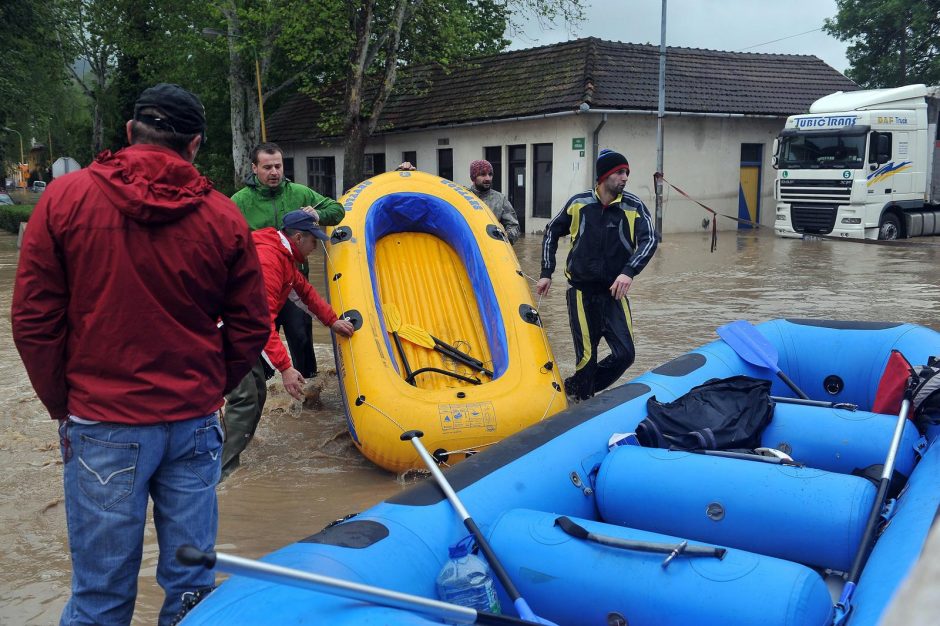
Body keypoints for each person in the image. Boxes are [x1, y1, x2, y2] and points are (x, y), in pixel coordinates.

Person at [11, 83, 270, 626]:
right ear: (195, 144)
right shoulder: (224, 218)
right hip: (193, 421)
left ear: (129, 132)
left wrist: (66, 402)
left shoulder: (63, 199)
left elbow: (34, 321)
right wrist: (210, 386)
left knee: (100, 596)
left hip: (102, 422)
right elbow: (251, 324)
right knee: (193, 590)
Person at [221, 210, 356, 475]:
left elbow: (305, 291)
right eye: (313, 241)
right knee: (246, 397)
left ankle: (229, 458)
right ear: (297, 237)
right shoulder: (269, 260)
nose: (315, 247)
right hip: (226, 329)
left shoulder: (283, 257)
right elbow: (261, 320)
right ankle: (220, 471)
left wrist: (332, 321)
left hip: (241, 330)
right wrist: (285, 368)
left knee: (257, 392)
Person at [536, 149, 658, 402]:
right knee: (586, 358)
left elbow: (650, 240)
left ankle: (572, 387)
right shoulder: (578, 203)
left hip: (615, 293)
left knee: (626, 354)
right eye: (619, 172)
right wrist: (547, 272)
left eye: (627, 173)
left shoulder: (633, 206)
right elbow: (550, 232)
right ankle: (581, 399)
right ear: (604, 176)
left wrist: (628, 272)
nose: (625, 178)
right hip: (581, 293)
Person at [232, 143, 346, 379]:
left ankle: (308, 391)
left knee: (301, 338)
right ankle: (268, 387)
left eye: (278, 166)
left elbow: (337, 210)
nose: (274, 172)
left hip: (290, 277)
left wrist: (318, 214)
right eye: (267, 167)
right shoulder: (239, 202)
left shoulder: (300, 193)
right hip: (260, 282)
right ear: (254, 168)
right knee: (261, 346)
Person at [468, 159, 521, 244]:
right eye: (483, 174)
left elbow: (514, 226)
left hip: (492, 250)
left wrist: (505, 236)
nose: (488, 178)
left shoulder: (500, 199)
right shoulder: (464, 196)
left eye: (490, 174)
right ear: (473, 177)